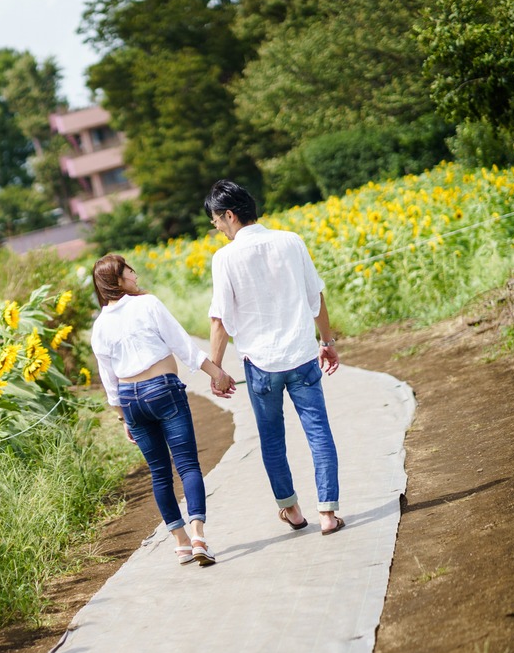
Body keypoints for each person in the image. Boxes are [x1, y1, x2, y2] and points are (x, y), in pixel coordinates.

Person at [204, 179, 345, 535]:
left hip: (261, 365)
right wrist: (326, 341)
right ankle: (328, 514)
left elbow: (219, 319)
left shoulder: (225, 258)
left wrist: (216, 369)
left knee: (271, 439)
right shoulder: (291, 241)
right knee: (319, 433)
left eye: (217, 221)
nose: (217, 228)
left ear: (231, 215)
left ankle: (293, 512)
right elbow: (317, 296)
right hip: (301, 356)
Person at [91, 254, 237, 566]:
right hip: (163, 390)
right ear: (117, 280)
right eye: (129, 270)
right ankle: (198, 535)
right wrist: (219, 375)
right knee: (187, 466)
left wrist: (123, 419)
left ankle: (181, 543)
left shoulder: (100, 325)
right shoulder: (147, 304)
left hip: (130, 401)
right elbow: (184, 345)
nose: (135, 274)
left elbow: (109, 381)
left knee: (159, 473)